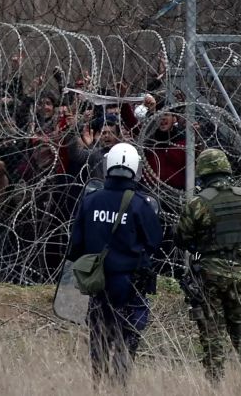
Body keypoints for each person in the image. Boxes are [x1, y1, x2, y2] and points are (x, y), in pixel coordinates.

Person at [66, 142, 163, 386]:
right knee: (127, 336)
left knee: (98, 334)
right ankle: (120, 386)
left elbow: (75, 244)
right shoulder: (141, 203)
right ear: (134, 168)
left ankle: (97, 383)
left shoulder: (91, 200)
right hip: (130, 283)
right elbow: (155, 241)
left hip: (97, 282)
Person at [175, 148, 241, 384]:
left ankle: (215, 385)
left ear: (203, 174)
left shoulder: (198, 203)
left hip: (208, 276)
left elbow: (181, 239)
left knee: (211, 334)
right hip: (239, 274)